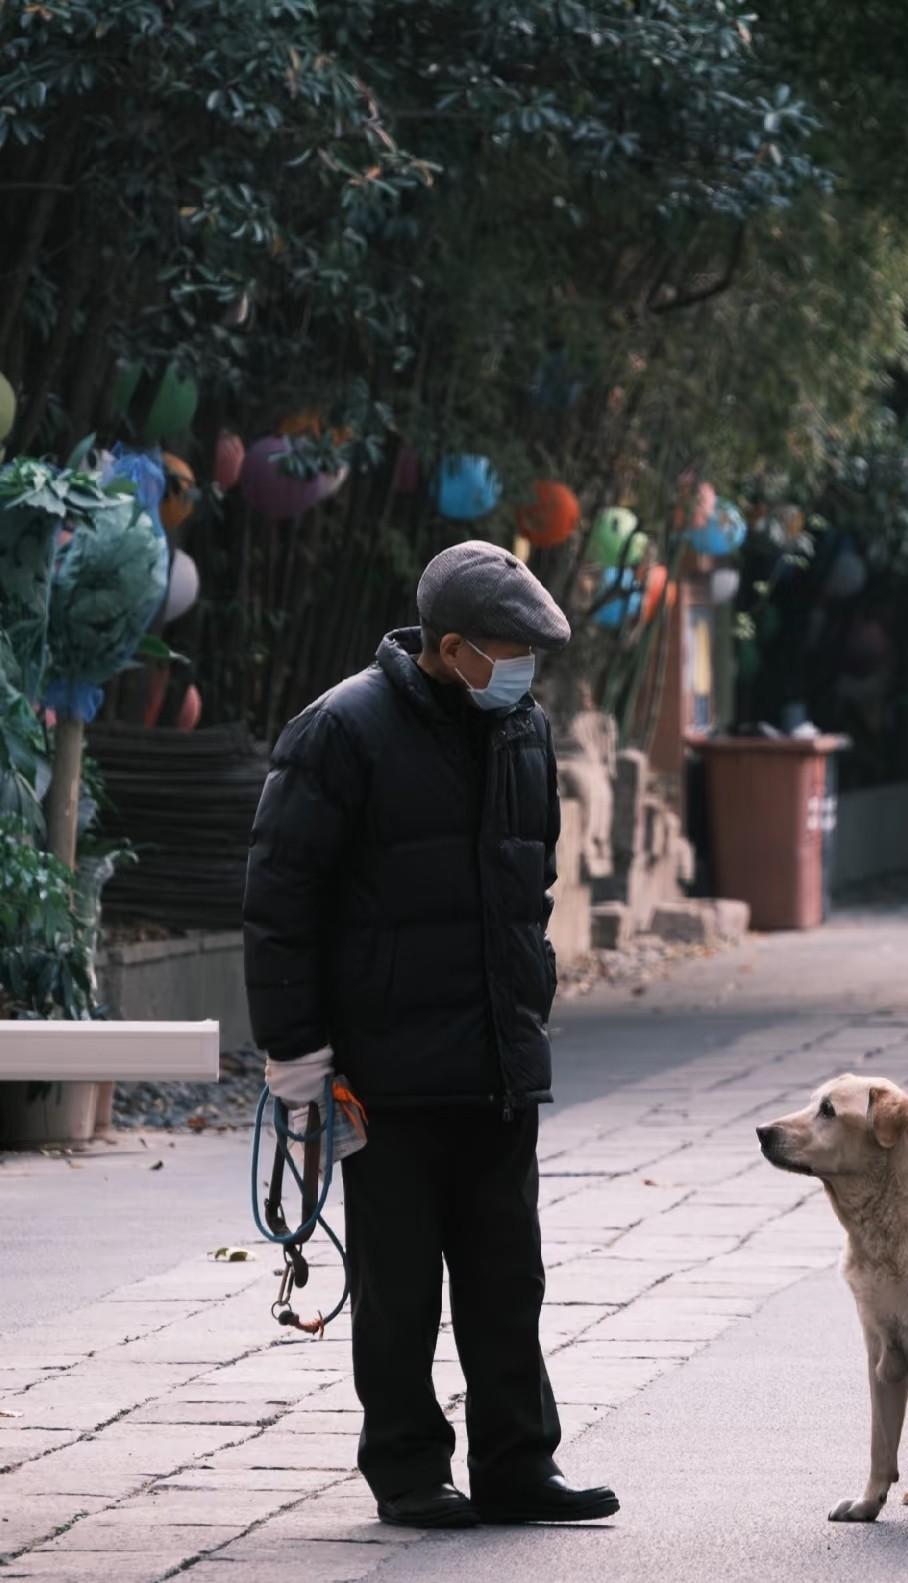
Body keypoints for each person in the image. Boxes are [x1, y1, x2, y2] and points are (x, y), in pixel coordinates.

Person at [242, 541, 619, 1530]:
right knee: (398, 1284)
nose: (524, 669)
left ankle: (518, 1462)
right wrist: (296, 1055)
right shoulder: (340, 730)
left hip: (497, 1057)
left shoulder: (522, 728)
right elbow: (281, 903)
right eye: (510, 650)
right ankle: (408, 1468)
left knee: (508, 1277)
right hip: (386, 1071)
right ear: (452, 648)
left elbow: (530, 884)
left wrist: (526, 1002)